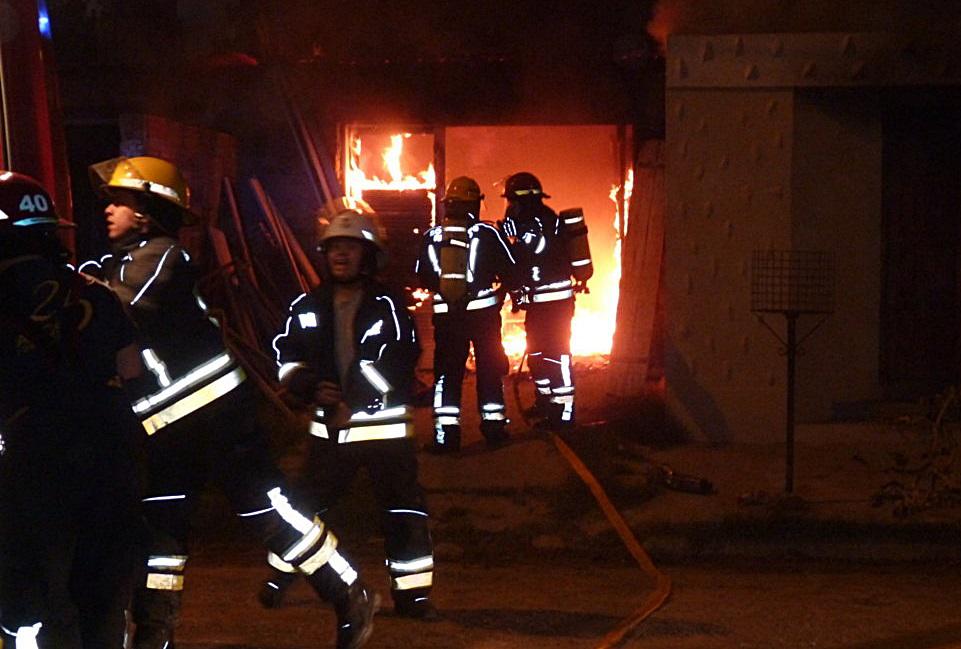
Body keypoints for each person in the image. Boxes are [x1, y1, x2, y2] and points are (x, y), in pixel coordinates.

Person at [84, 156, 374, 649]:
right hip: (165, 428)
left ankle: (348, 590)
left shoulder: (163, 256)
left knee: (266, 510)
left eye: (121, 200)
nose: (108, 209)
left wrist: (68, 286)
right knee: (161, 531)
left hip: (215, 418)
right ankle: (154, 628)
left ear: (150, 211)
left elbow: (123, 307)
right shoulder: (123, 262)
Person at [259, 196, 436, 620]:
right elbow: (286, 358)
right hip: (329, 434)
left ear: (368, 255)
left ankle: (412, 598)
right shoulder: (305, 308)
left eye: (351, 246)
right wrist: (305, 385)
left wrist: (351, 401)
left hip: (383, 433)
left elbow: (394, 361)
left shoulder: (389, 307)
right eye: (334, 246)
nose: (340, 253)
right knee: (304, 508)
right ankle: (277, 577)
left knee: (403, 511)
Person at [0, 170, 144, 649]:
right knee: (99, 588)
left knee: (26, 581)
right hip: (107, 451)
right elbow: (131, 368)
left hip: (31, 456)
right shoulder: (93, 290)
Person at [415, 176, 516, 452]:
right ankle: (494, 428)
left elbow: (421, 276)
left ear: (448, 204)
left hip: (448, 320)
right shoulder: (488, 233)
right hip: (484, 317)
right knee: (489, 370)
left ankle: (446, 436)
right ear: (475, 203)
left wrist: (447, 290)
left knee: (447, 375)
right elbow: (510, 268)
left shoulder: (432, 236)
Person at [499, 172, 591, 429]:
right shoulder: (523, 220)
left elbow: (533, 254)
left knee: (556, 355)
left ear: (519, 199)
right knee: (538, 353)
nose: (509, 205)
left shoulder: (542, 220)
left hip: (555, 304)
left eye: (510, 200)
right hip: (539, 305)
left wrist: (516, 241)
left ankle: (563, 412)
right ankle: (545, 402)